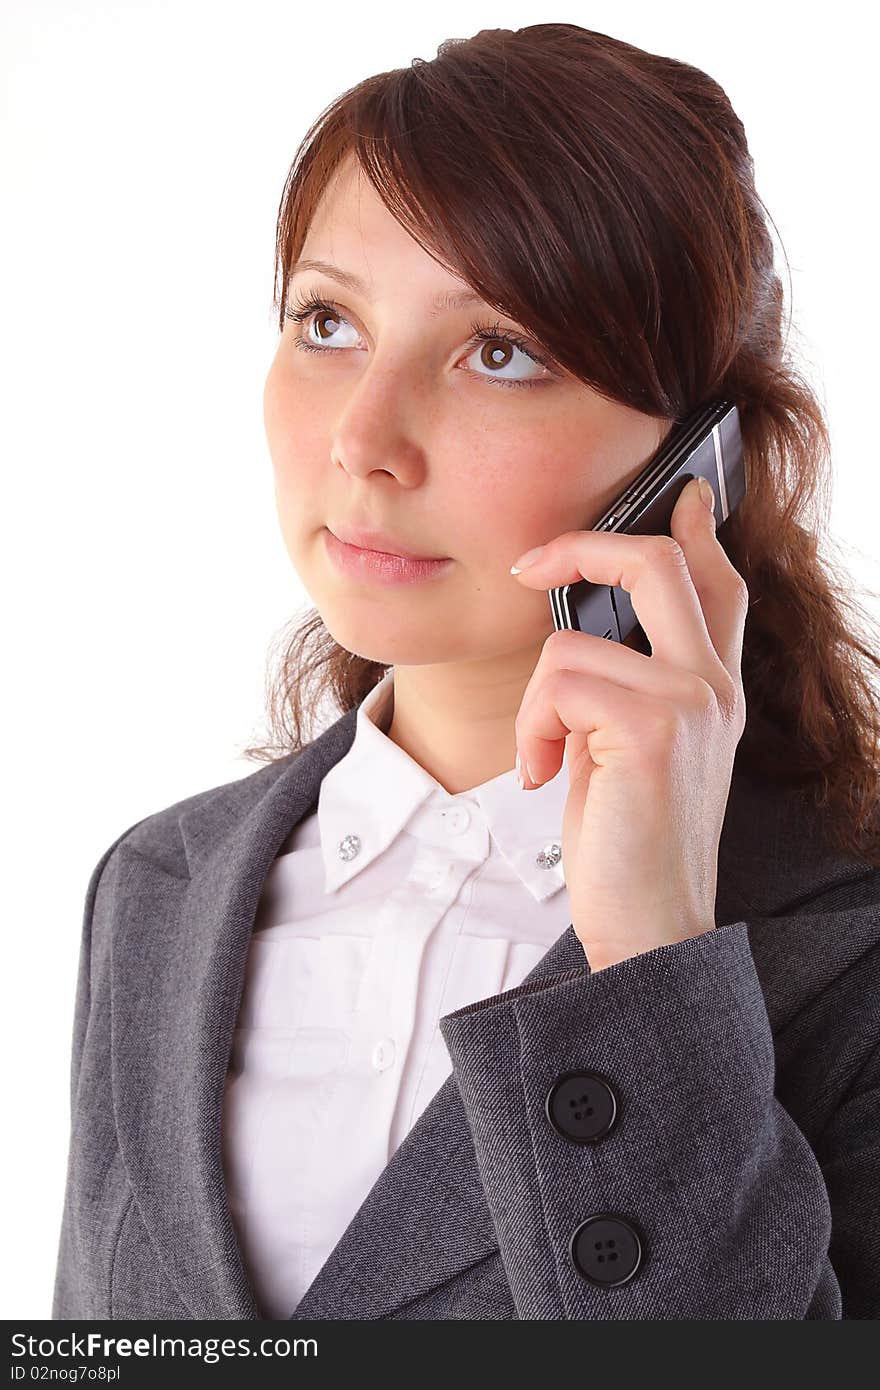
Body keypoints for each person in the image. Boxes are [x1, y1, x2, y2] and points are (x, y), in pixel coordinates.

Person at [52, 24, 880, 1321]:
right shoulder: (159, 887)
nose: (364, 440)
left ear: (700, 458)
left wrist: (654, 964)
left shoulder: (846, 938)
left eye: (499, 349)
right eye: (328, 320)